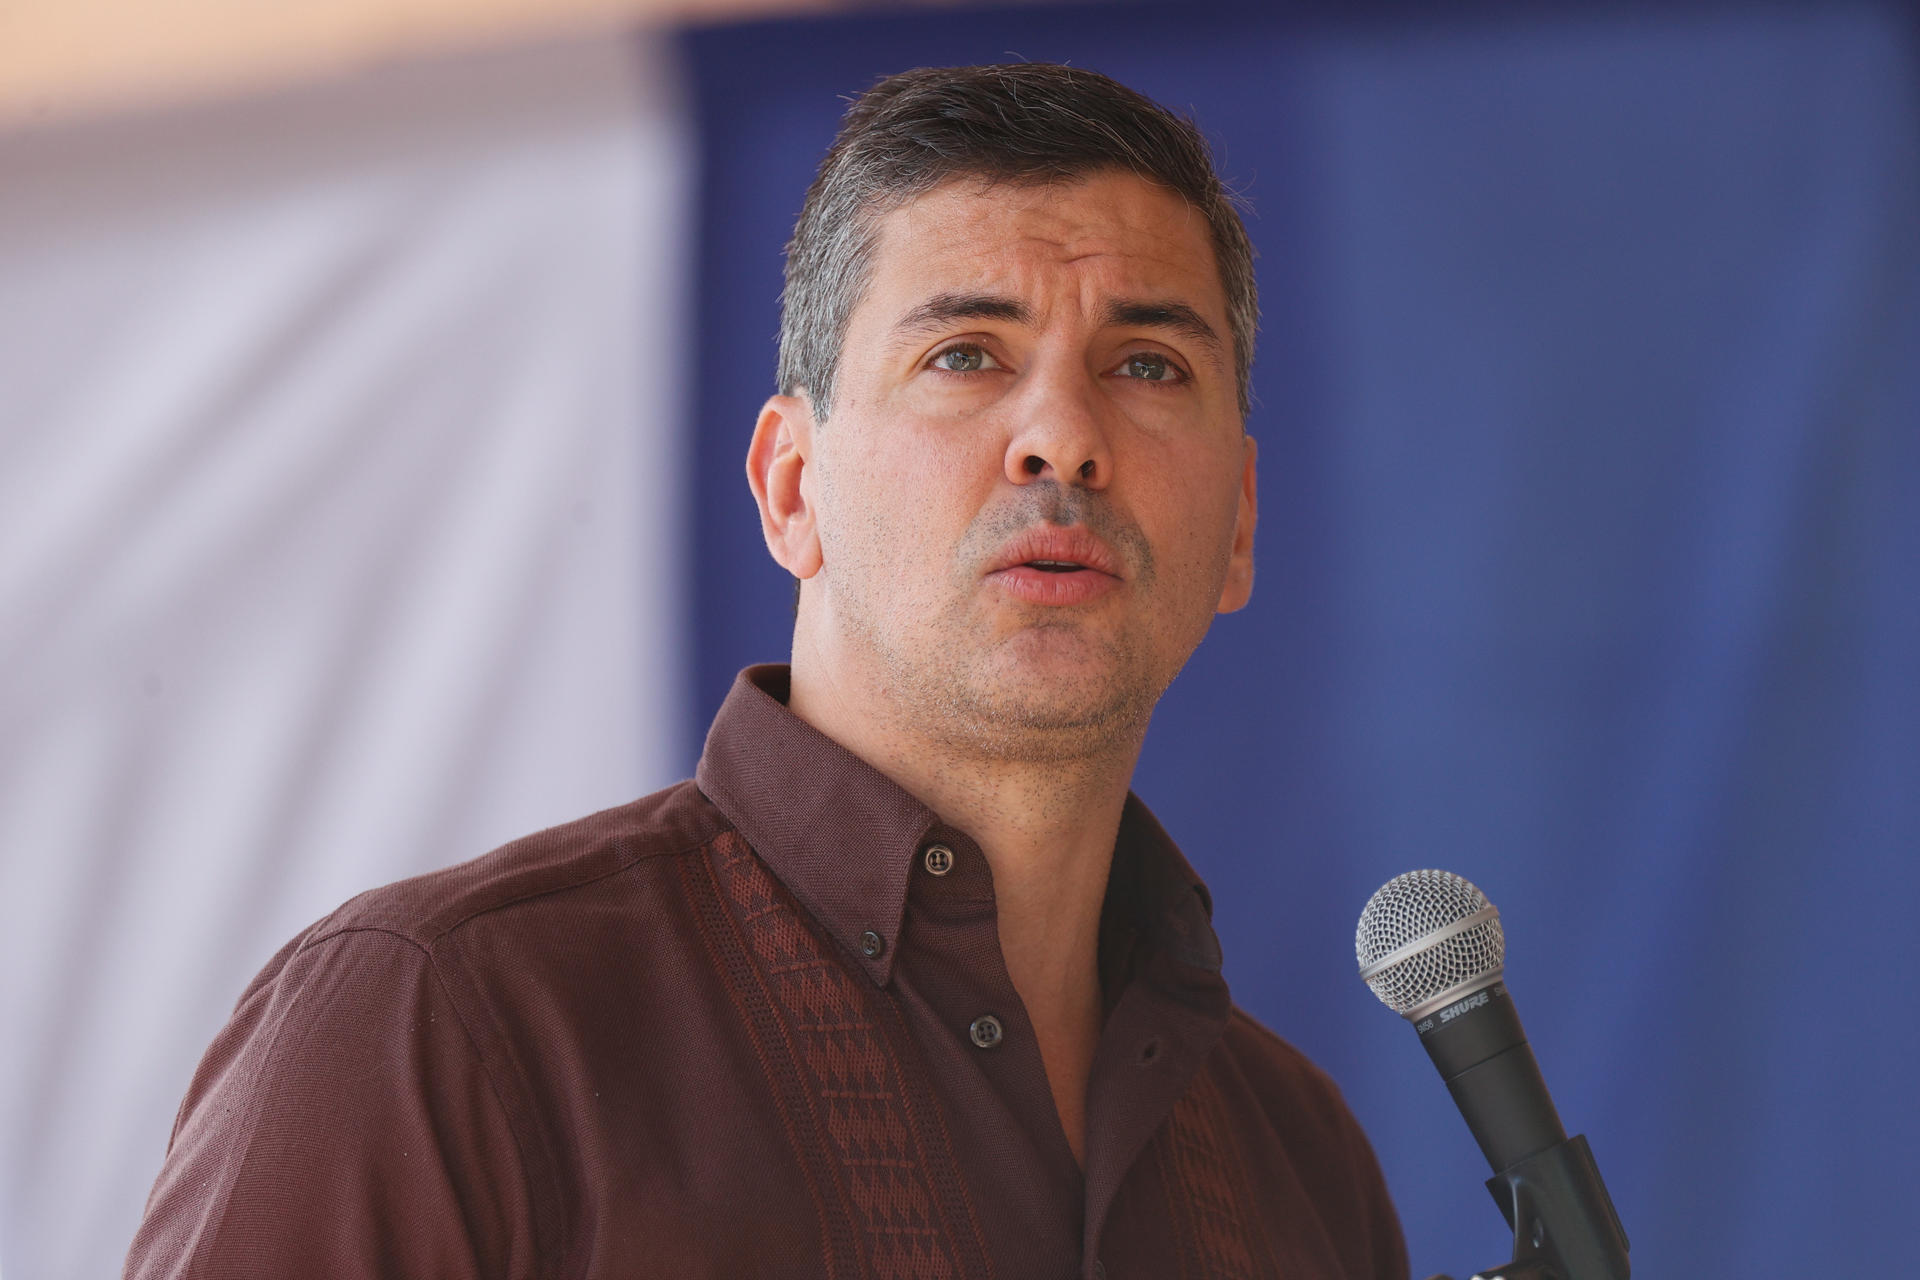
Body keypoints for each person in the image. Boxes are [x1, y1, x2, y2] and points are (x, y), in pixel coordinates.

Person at [125, 63, 1408, 1279]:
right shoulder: (436, 1023)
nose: (1063, 437)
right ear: (793, 487)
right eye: (965, 354)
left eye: (1147, 365)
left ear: (1239, 523)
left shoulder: (1299, 1157)